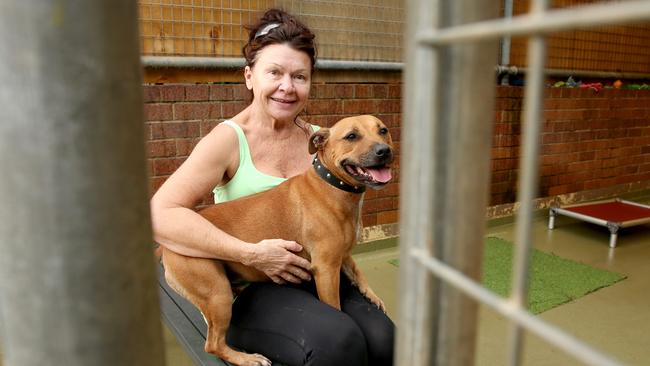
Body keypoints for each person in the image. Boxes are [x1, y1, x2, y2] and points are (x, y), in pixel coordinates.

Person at [150, 8, 394, 366]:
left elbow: (326, 236)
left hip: (304, 276)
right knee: (338, 343)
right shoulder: (228, 139)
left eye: (299, 76)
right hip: (247, 283)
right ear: (250, 76)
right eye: (274, 73)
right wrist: (250, 254)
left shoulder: (323, 141)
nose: (287, 86)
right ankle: (223, 344)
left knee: (384, 339)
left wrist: (358, 276)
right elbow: (159, 216)